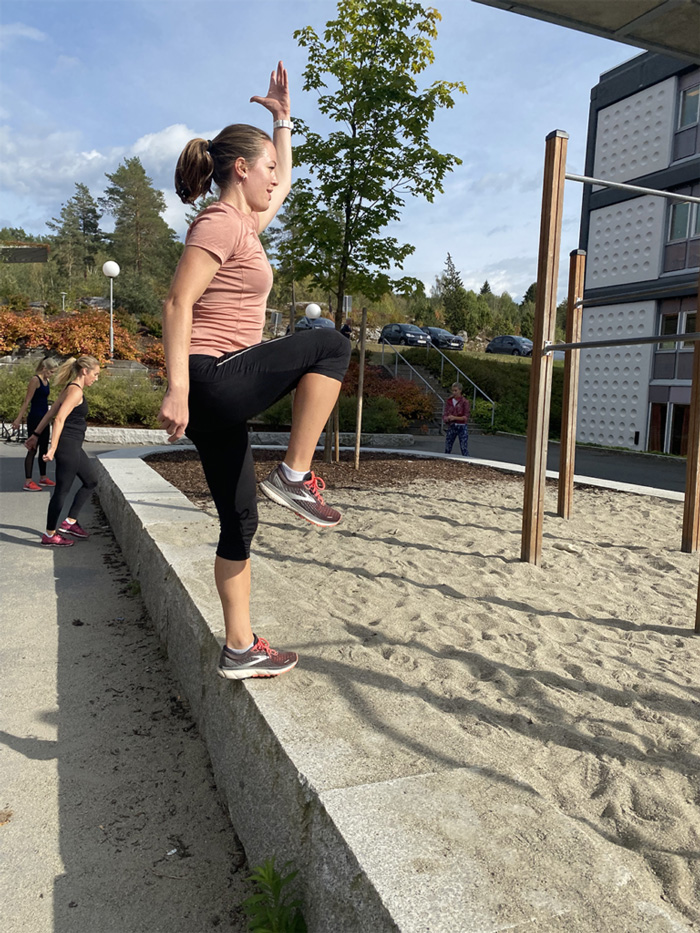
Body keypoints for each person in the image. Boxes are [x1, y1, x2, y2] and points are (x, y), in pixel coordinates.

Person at [158, 61, 351, 681]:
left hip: (219, 389)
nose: (275, 179)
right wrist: (178, 387)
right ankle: (296, 473)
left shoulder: (245, 222)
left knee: (239, 517)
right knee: (328, 343)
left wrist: (283, 124)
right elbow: (177, 302)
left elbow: (287, 182)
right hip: (212, 377)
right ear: (240, 170)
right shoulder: (219, 221)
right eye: (265, 167)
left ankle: (239, 647)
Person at [25, 355, 100, 547]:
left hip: (74, 447)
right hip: (67, 447)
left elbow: (49, 413)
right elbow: (58, 419)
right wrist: (53, 448)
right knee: (61, 491)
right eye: (96, 374)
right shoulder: (75, 392)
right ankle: (50, 534)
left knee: (91, 481)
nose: (96, 378)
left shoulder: (70, 388)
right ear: (85, 371)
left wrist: (35, 434)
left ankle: (70, 522)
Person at [13, 357, 58, 490]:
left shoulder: (46, 380)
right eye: (51, 372)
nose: (52, 374)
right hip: (35, 418)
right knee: (33, 449)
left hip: (44, 418)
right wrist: (18, 419)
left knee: (44, 448)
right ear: (44, 368)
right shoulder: (35, 380)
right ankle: (28, 481)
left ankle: (43, 478)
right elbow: (27, 401)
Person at [443, 382, 470, 457]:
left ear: (460, 390)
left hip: (461, 426)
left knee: (464, 447)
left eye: (456, 390)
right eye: (453, 391)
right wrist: (447, 418)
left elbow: (466, 417)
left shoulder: (465, 402)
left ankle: (467, 461)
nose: (454, 392)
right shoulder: (449, 401)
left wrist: (455, 418)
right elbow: (445, 414)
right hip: (452, 425)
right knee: (448, 447)